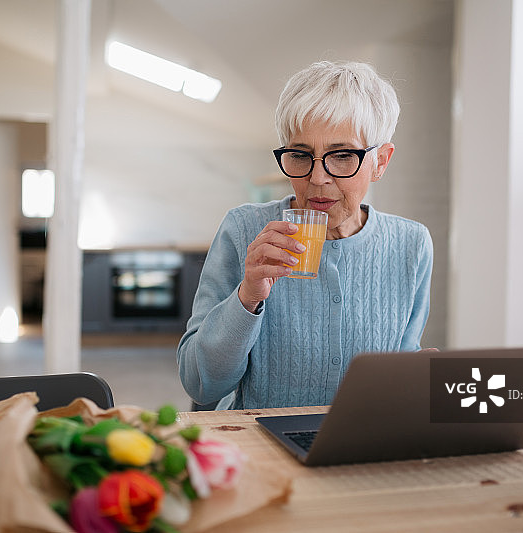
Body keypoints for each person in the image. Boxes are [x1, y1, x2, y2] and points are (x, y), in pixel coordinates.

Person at [177, 60, 433, 410]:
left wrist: (417, 375)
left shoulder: (411, 244)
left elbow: (400, 366)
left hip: (358, 447)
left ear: (381, 162)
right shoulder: (243, 230)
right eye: (300, 155)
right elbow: (201, 385)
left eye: (342, 156)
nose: (318, 178)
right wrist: (247, 296)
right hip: (261, 446)